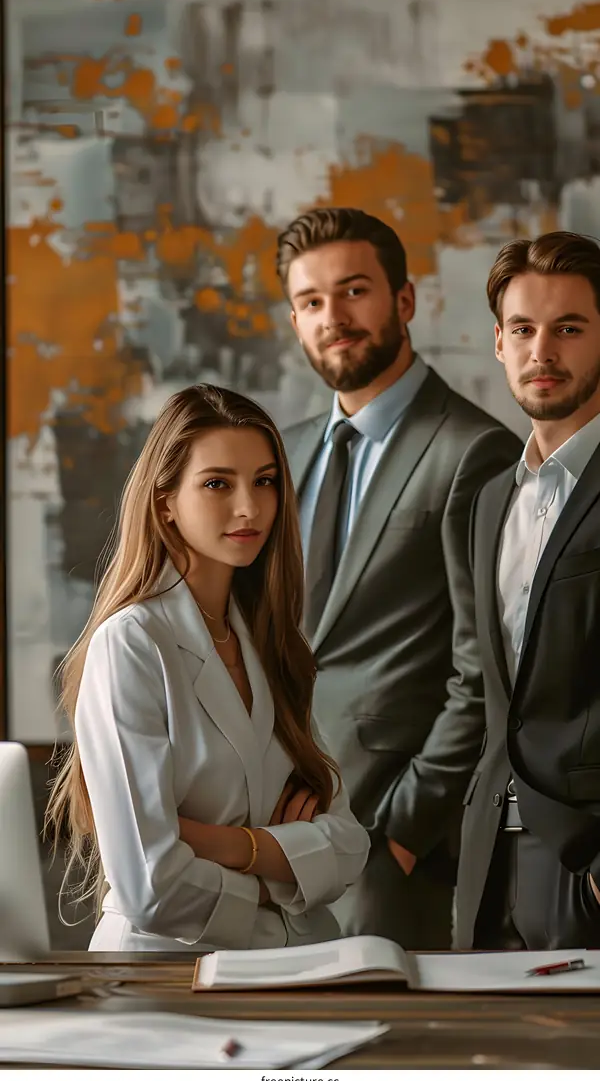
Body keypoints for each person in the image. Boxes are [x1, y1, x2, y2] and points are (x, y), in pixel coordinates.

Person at [45, 384, 370, 953]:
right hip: (164, 971)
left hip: (289, 965)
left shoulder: (268, 641)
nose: (250, 507)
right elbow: (151, 888)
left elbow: (348, 844)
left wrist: (227, 844)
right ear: (164, 502)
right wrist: (282, 872)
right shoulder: (132, 644)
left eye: (264, 481)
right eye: (218, 483)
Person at [277, 206, 523, 948]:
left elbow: (483, 673)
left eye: (354, 291)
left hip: (388, 845)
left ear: (404, 300)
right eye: (311, 301)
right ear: (294, 321)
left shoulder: (474, 450)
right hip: (272, 833)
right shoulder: (281, 454)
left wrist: (403, 834)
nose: (333, 317)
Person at [455, 230, 600, 951]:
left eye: (568, 328)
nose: (542, 350)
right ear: (499, 342)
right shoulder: (490, 503)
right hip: (489, 862)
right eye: (523, 329)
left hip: (586, 860)